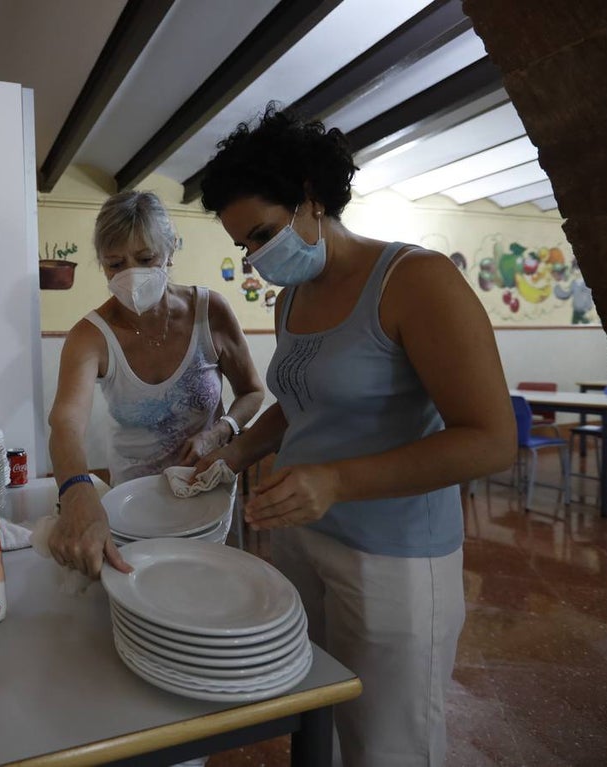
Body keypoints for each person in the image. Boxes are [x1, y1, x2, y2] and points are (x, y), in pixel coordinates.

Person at [193, 106, 516, 766]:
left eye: (262, 234)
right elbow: (303, 404)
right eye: (244, 246)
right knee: (318, 723)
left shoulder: (415, 282)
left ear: (312, 198)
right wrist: (234, 451)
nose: (256, 259)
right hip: (304, 538)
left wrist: (336, 480)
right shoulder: (294, 298)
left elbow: (490, 439)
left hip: (392, 555)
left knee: (388, 741)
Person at [48, 191, 265, 579]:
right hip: (134, 505)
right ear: (102, 266)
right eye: (116, 264)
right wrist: (76, 490)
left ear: (169, 252)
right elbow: (66, 423)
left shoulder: (209, 312)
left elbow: (252, 392)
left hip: (207, 492)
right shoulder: (90, 336)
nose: (131, 273)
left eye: (146, 259)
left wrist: (220, 432)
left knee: (209, 589)